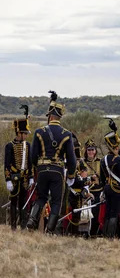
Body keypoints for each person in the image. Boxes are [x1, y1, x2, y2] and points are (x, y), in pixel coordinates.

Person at [27, 91, 77, 233]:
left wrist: (38, 167)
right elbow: (72, 159)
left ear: (50, 115)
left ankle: (32, 219)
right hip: (57, 171)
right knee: (56, 201)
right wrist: (71, 176)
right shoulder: (66, 134)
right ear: (60, 116)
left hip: (42, 169)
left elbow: (33, 156)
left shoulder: (38, 132)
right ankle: (50, 229)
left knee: (41, 197)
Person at [4, 105, 33, 231]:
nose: (26, 136)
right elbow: (7, 164)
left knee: (23, 203)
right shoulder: (9, 146)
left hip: (25, 178)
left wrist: (31, 176)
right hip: (14, 179)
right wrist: (8, 179)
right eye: (25, 133)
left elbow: (30, 162)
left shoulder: (28, 145)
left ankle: (23, 226)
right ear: (19, 133)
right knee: (14, 203)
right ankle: (13, 227)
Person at [80, 139, 104, 237]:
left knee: (96, 213)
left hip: (98, 191)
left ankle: (94, 233)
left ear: (95, 151)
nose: (90, 152)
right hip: (87, 191)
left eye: (92, 150)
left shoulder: (100, 162)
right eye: (89, 150)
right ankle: (85, 233)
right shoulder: (82, 162)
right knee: (85, 213)